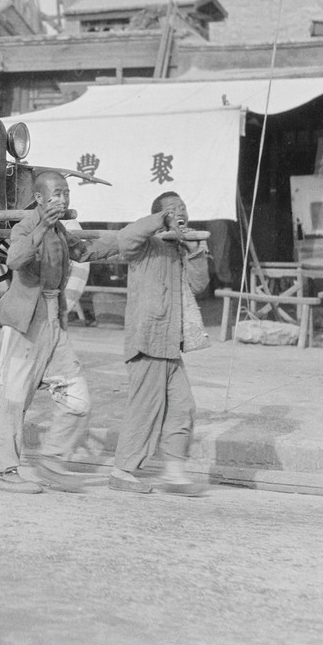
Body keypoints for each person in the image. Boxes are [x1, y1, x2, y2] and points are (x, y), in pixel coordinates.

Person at [0, 171, 111, 494]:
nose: (63, 199)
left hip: (54, 320)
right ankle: (6, 472)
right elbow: (14, 259)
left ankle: (52, 462)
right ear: (40, 198)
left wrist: (131, 237)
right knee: (13, 400)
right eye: (56, 193)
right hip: (26, 324)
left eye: (66, 193)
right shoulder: (27, 225)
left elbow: (85, 252)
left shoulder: (59, 230)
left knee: (78, 400)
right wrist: (42, 225)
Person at [98, 191, 212, 496]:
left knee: (183, 407)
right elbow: (124, 239)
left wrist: (196, 250)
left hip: (170, 344)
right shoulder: (144, 244)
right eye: (172, 210)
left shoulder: (181, 249)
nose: (180, 212)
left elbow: (199, 285)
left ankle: (174, 473)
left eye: (183, 208)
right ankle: (122, 471)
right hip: (147, 340)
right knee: (145, 408)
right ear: (159, 217)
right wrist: (158, 222)